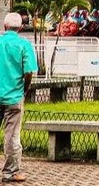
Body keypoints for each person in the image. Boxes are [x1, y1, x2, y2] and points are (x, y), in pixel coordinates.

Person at [0, 13, 37, 182]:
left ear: (4, 27)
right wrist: (25, 89)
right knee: (12, 136)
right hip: (14, 97)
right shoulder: (24, 45)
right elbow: (29, 72)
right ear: (21, 28)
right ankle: (10, 172)